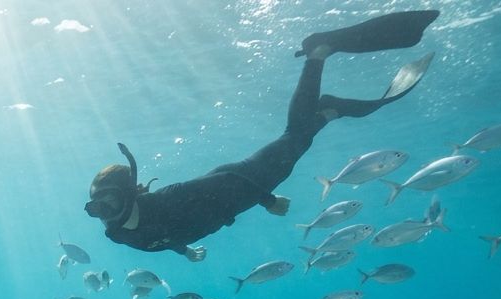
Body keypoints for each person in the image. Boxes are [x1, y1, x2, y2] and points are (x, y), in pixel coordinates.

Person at [83, 10, 439, 261]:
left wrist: (267, 201)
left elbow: (228, 179)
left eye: (108, 203)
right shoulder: (116, 234)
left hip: (246, 179)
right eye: (95, 207)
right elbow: (158, 237)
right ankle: (326, 109)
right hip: (237, 197)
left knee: (293, 139)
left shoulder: (169, 199)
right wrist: (185, 251)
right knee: (298, 138)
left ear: (128, 193)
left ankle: (319, 54)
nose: (103, 213)